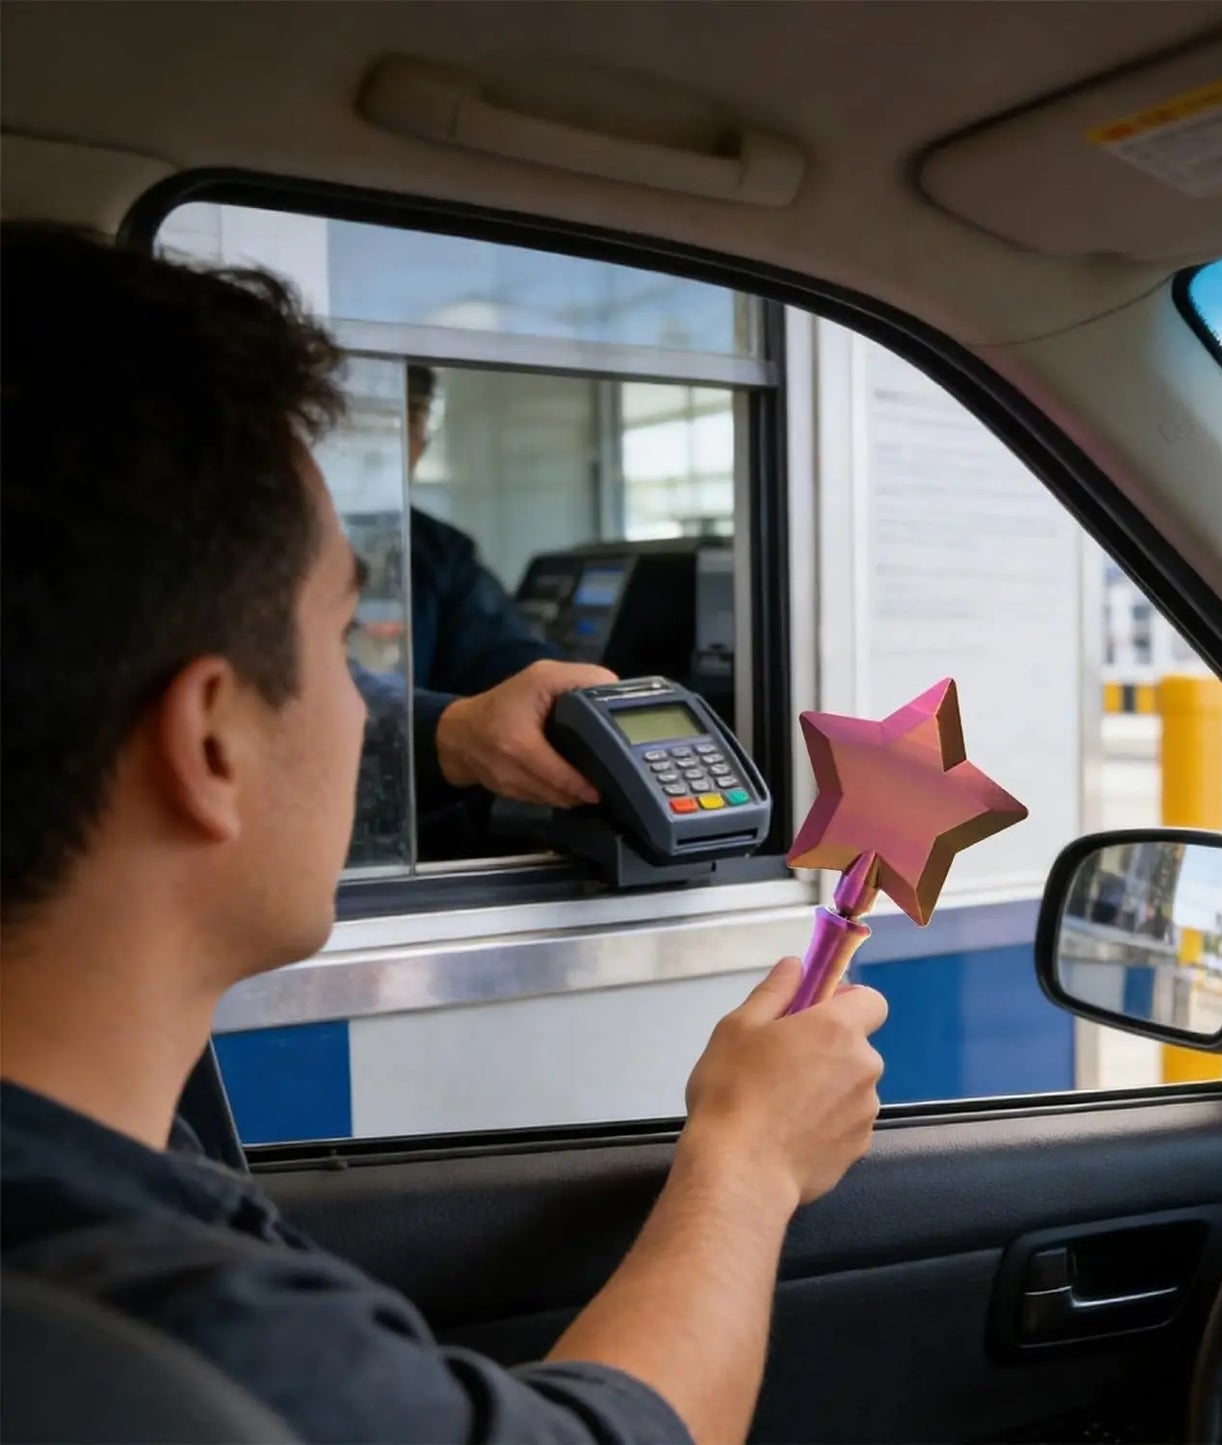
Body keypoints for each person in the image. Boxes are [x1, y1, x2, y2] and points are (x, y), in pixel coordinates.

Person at [0, 224, 887, 1445]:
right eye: (341, 645)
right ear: (209, 742)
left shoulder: (104, 1154)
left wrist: (455, 734)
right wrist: (745, 1161)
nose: (369, 711)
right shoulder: (182, 1341)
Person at [400, 364, 615, 820]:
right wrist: (454, 732)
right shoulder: (253, 547)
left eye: (412, 422)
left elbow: (505, 658)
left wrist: (571, 705)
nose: (402, 445)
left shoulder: (436, 552)